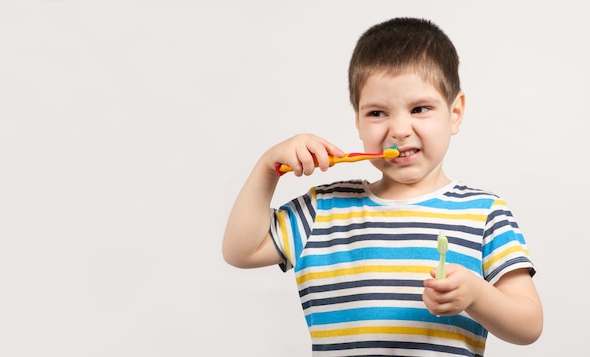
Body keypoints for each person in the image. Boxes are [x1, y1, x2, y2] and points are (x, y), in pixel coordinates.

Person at [222, 17, 542, 356]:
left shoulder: (485, 214)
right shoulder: (323, 210)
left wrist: (478, 296)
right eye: (377, 113)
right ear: (358, 121)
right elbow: (241, 251)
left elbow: (529, 325)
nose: (399, 129)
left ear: (455, 112)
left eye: (420, 109)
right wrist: (268, 167)